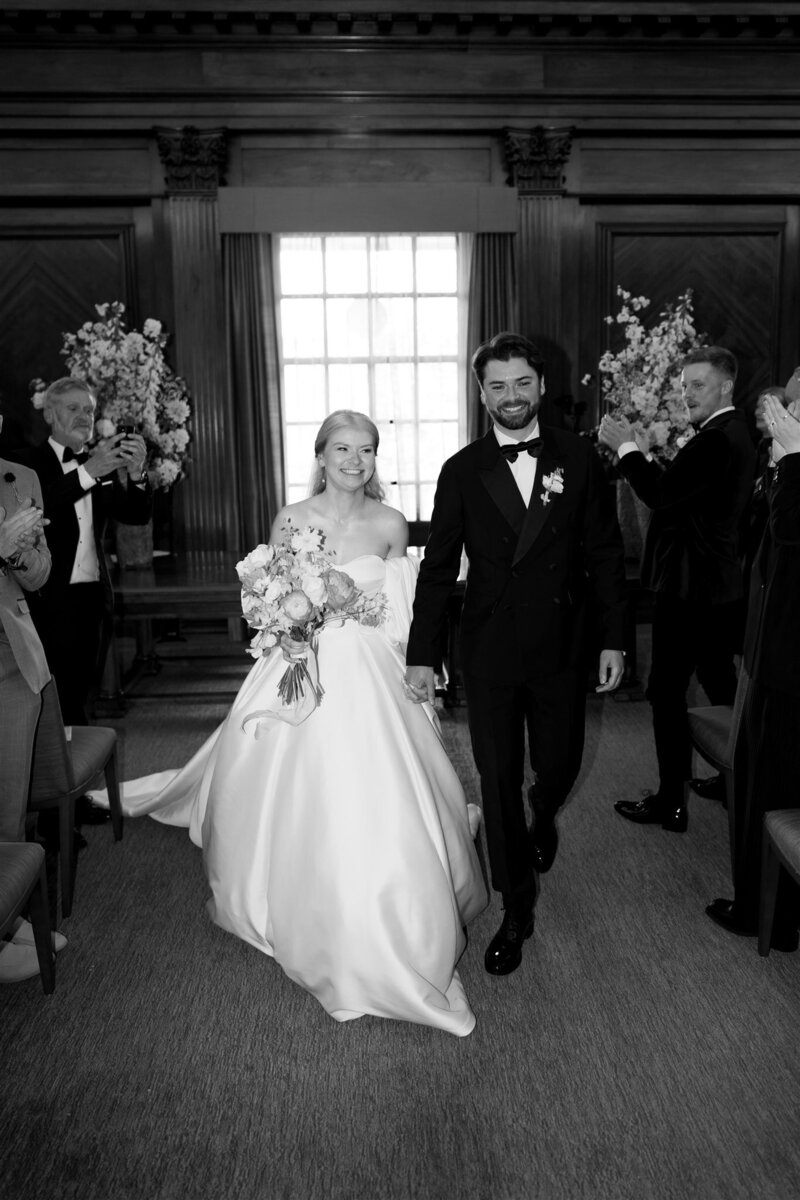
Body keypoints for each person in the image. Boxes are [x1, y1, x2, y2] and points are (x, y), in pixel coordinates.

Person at [91, 411, 487, 1036]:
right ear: (320, 454)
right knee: (288, 783)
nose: (355, 460)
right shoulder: (291, 518)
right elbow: (265, 600)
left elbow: (404, 612)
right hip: (299, 660)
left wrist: (418, 673)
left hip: (369, 668)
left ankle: (397, 913)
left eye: (366, 449)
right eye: (342, 449)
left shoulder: (390, 524)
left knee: (384, 788)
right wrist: (292, 629)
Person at [405, 332, 627, 977]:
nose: (511, 396)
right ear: (481, 394)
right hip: (491, 648)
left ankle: (546, 809)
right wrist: (424, 653)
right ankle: (516, 907)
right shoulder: (461, 468)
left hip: (561, 642)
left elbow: (605, 552)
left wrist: (613, 635)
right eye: (497, 386)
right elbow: (438, 568)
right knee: (495, 781)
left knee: (555, 767)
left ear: (540, 385)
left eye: (521, 383)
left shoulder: (578, 458)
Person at [599, 346, 756, 833]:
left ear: (726, 386)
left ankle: (671, 802)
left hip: (690, 588)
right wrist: (644, 456)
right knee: (718, 681)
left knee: (665, 690)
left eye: (698, 385)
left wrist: (626, 450)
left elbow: (663, 496)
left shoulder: (715, 440)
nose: (686, 393)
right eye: (684, 384)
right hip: (718, 585)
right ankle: (741, 782)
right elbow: (689, 497)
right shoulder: (733, 434)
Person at [13, 377, 151, 826]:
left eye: (88, 410)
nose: (82, 417)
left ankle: (72, 795)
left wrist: (138, 473)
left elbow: (136, 515)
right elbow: (43, 509)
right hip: (46, 602)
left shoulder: (101, 465)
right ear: (49, 415)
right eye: (71, 408)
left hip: (92, 599)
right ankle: (52, 814)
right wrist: (90, 469)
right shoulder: (26, 464)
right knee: (51, 703)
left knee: (81, 697)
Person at [705, 391, 800, 952]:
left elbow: (790, 538)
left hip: (787, 662)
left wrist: (790, 462)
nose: (785, 408)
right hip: (773, 648)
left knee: (766, 783)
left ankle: (763, 914)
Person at [0, 435, 67, 983]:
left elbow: (40, 575)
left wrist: (20, 553)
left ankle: (8, 914)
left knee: (10, 799)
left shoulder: (20, 476)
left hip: (13, 656)